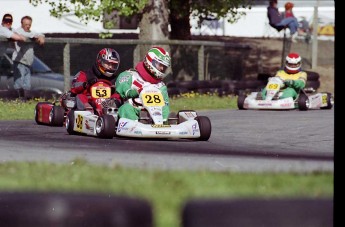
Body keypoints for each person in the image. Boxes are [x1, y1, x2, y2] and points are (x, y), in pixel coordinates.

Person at [115, 46, 171, 121]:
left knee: (165, 109)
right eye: (160, 65)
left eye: (164, 66)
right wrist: (133, 92)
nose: (162, 69)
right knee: (126, 108)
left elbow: (165, 104)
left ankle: (164, 126)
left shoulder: (161, 85)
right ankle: (135, 126)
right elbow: (122, 88)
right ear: (150, 61)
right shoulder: (130, 75)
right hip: (134, 107)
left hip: (155, 111)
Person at [70, 48, 122, 112]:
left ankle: (111, 110)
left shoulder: (116, 79)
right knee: (80, 96)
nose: (110, 67)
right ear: (100, 61)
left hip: (108, 103)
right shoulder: (85, 74)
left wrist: (115, 90)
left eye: (113, 65)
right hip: (89, 101)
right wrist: (86, 84)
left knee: (118, 96)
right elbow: (74, 87)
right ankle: (88, 112)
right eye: (108, 63)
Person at [12, 15, 45, 101]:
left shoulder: (31, 32)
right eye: (26, 24)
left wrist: (41, 36)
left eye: (29, 24)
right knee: (19, 83)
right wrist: (35, 37)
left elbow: (39, 34)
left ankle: (25, 101)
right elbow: (25, 35)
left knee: (27, 85)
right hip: (19, 62)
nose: (28, 26)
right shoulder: (18, 31)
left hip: (28, 63)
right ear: (21, 23)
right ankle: (18, 100)